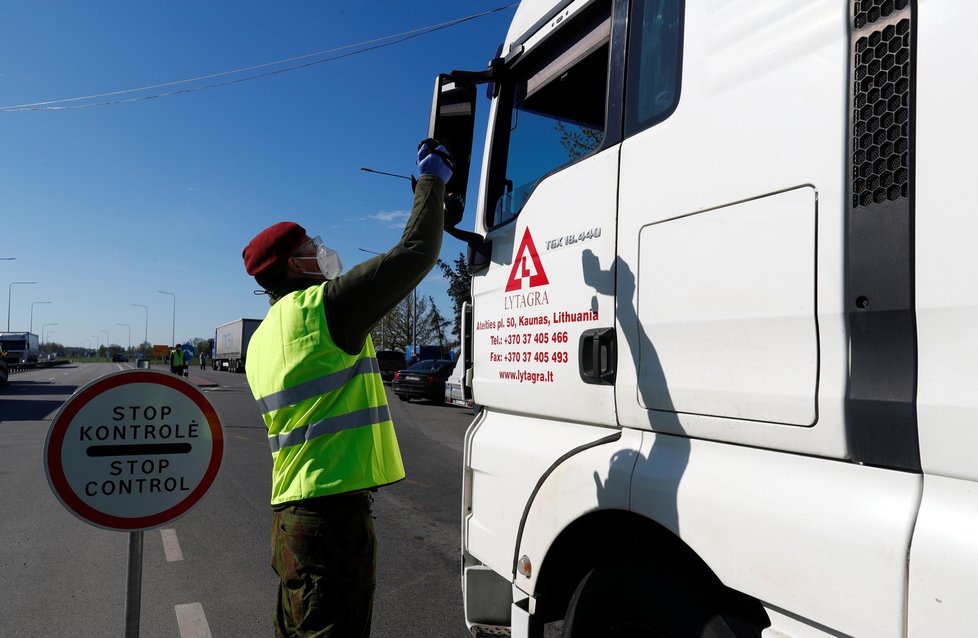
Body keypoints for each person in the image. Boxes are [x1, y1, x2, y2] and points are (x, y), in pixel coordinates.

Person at [241, 140, 452, 637]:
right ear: (295, 266)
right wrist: (432, 183)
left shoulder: (265, 335)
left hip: (291, 518)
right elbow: (416, 253)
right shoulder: (324, 309)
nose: (321, 249)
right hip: (330, 521)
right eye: (310, 247)